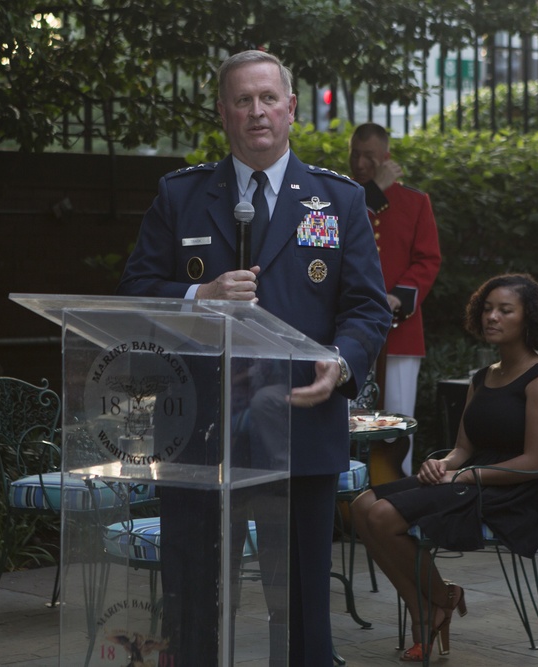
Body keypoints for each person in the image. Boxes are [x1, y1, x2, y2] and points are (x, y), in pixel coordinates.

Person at [117, 50, 392, 666]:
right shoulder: (181, 195)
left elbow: (368, 309)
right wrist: (200, 295)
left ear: (292, 108)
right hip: (198, 431)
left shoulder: (337, 200)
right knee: (191, 596)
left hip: (297, 422)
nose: (257, 112)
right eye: (242, 100)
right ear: (222, 113)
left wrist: (340, 363)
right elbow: (135, 291)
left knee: (296, 602)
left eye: (268, 98)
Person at [351, 273, 538, 662]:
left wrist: (462, 474)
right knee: (361, 506)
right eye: (487, 309)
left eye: (505, 310)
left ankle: (437, 603)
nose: (492, 317)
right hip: (468, 478)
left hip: (509, 490)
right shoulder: (484, 377)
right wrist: (442, 464)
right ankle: (436, 603)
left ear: (530, 319)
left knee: (383, 515)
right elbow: (463, 447)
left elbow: (533, 464)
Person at [348, 122, 442, 479]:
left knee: (398, 417)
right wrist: (374, 190)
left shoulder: (416, 202)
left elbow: (428, 259)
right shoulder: (342, 196)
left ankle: (396, 493)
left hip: (400, 329)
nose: (359, 163)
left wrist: (397, 299)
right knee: (347, 418)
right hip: (350, 325)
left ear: (386, 157)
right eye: (354, 154)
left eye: (369, 157)